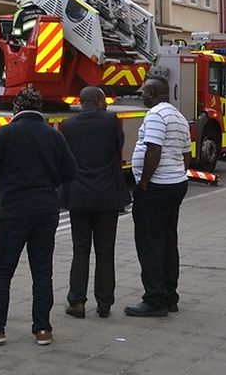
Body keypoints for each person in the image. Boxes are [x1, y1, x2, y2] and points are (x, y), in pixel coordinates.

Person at [0, 86, 77, 346]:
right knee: (42, 271)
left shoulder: (5, 133)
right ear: (40, 109)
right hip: (46, 208)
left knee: (2, 270)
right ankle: (42, 329)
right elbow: (70, 172)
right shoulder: (54, 135)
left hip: (15, 208)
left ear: (16, 108)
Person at [125, 76, 192, 318]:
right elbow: (187, 154)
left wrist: (144, 182)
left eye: (144, 92)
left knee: (150, 244)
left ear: (152, 93)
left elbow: (154, 150)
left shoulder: (155, 115)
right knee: (167, 241)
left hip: (157, 188)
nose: (141, 95)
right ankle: (169, 296)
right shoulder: (178, 116)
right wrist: (176, 173)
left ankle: (154, 300)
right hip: (175, 185)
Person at [59, 86, 128, 319]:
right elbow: (118, 145)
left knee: (80, 249)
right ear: (99, 100)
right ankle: (104, 303)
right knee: (105, 250)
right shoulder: (110, 121)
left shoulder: (68, 125)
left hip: (79, 196)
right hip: (107, 196)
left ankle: (77, 301)